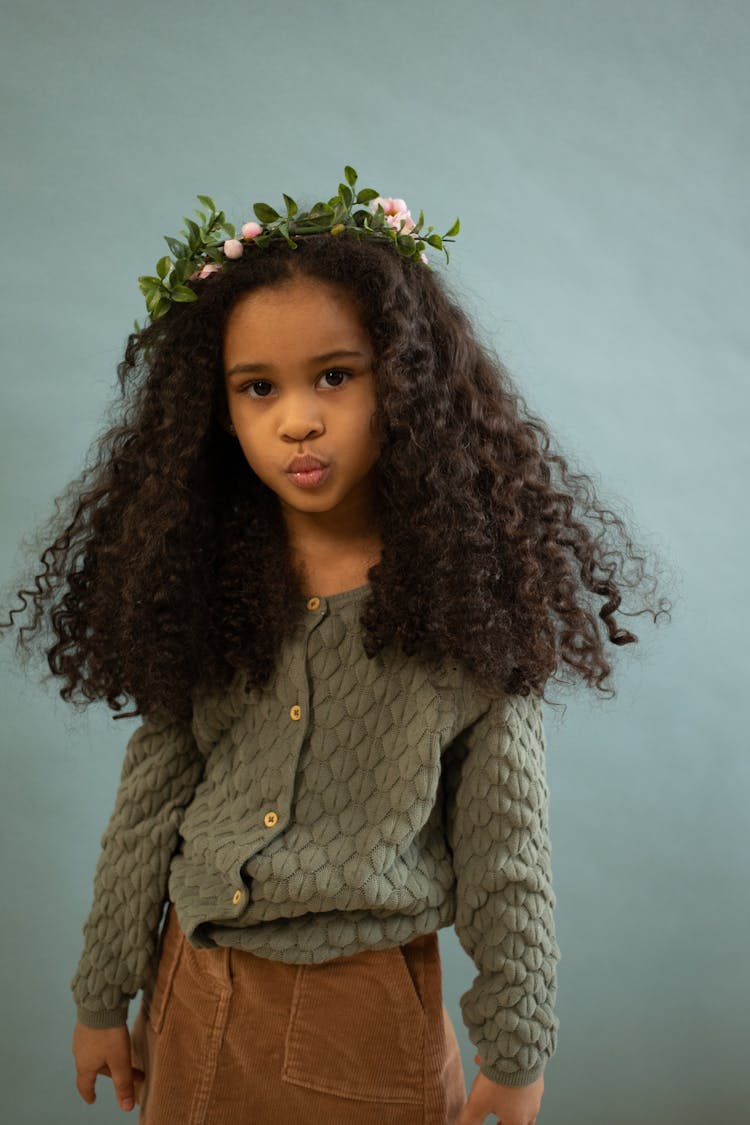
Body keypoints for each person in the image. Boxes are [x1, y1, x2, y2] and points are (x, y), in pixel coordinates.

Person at [2, 166, 671, 1124]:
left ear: (404, 382)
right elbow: (147, 809)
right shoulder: (208, 590)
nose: (297, 417)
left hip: (362, 1013)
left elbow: (507, 850)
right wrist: (103, 994)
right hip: (192, 986)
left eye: (334, 376)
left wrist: (517, 1050)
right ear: (216, 412)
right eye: (257, 388)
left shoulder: (467, 609)